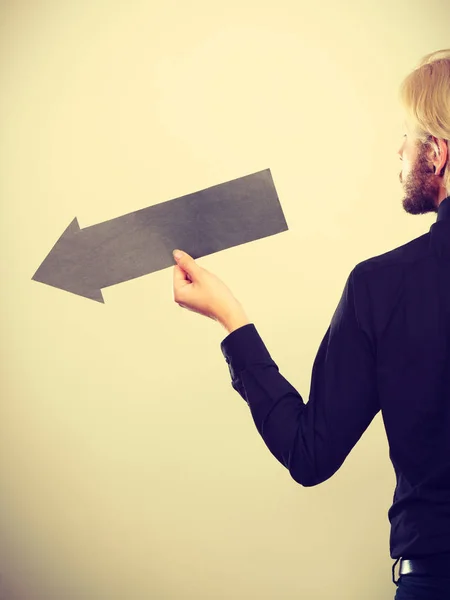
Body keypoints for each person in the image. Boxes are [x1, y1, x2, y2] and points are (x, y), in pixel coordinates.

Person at [173, 49, 450, 599]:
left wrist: (232, 319)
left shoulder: (383, 286)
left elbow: (310, 452)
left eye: (407, 134)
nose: (399, 149)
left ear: (438, 154)